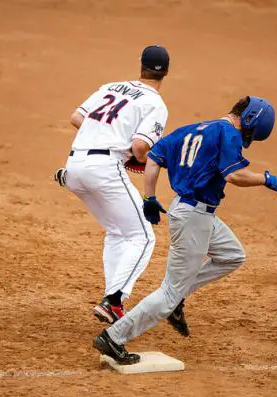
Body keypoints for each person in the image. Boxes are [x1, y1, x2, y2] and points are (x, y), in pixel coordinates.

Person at [92, 96, 277, 364]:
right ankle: (114, 337)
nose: (249, 138)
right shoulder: (229, 134)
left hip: (196, 213)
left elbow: (153, 157)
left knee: (232, 255)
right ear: (248, 120)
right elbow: (233, 175)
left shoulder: (192, 129)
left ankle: (179, 295)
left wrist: (149, 197)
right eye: (252, 133)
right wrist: (267, 179)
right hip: (193, 218)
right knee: (167, 295)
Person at [53, 46, 170, 324]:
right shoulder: (155, 103)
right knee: (143, 236)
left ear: (140, 64)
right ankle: (115, 301)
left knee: (118, 232)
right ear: (166, 72)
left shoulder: (111, 86)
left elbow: (76, 118)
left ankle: (111, 300)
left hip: (74, 166)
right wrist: (135, 156)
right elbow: (140, 147)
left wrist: (103, 136)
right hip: (104, 170)